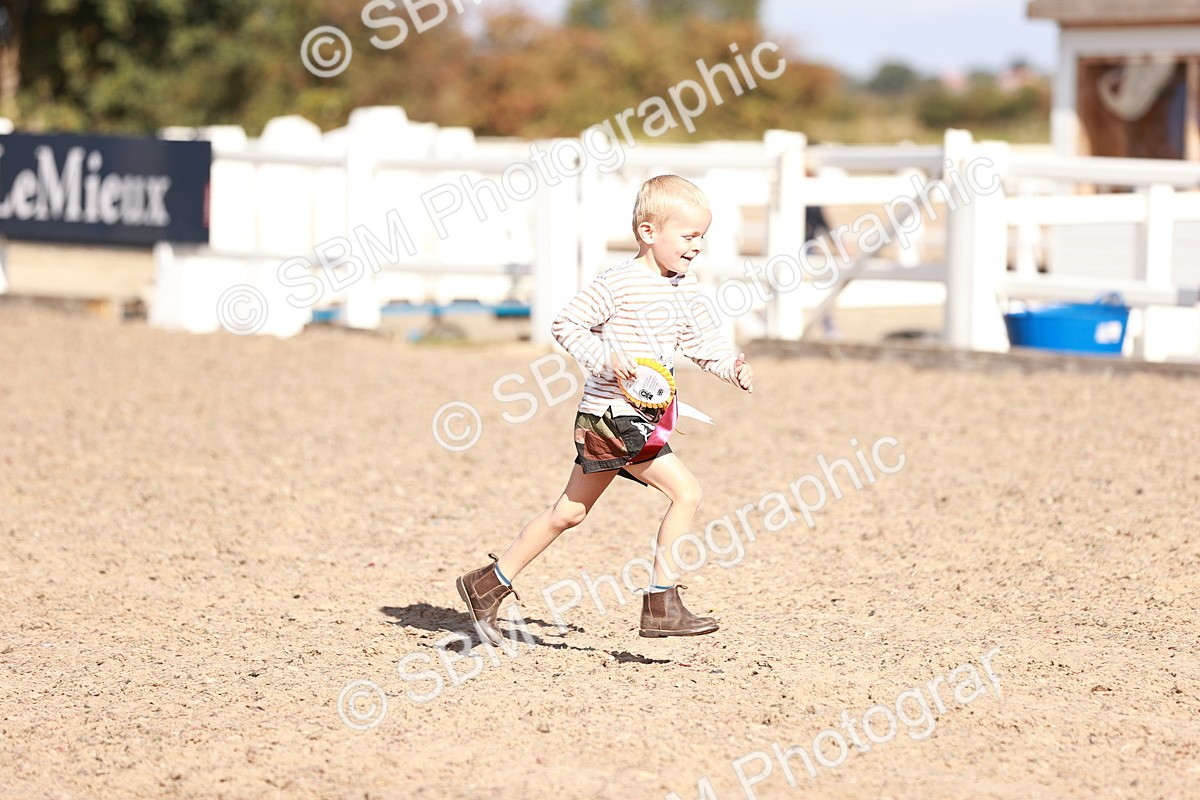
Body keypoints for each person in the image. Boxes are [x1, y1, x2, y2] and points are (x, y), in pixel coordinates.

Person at [456, 174, 754, 642]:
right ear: (648, 232)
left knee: (569, 513)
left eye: (702, 237)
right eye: (688, 236)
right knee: (687, 493)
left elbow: (700, 342)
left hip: (638, 419)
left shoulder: (684, 286)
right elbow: (567, 324)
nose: (697, 246)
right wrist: (604, 358)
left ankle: (486, 584)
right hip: (611, 418)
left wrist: (729, 366)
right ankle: (661, 604)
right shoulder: (618, 283)